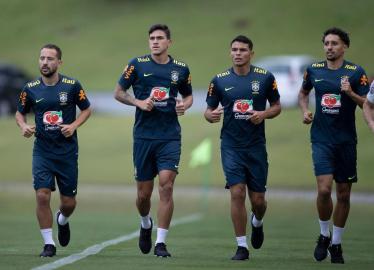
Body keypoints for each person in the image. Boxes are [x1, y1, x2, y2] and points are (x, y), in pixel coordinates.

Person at [114, 24, 193, 258]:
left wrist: (184, 104)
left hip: (169, 136)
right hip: (143, 137)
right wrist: (138, 103)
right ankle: (145, 223)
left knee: (167, 185)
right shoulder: (136, 64)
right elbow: (118, 92)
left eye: (160, 38)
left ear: (169, 42)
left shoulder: (180, 69)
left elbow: (188, 95)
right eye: (152, 38)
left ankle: (161, 242)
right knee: (143, 195)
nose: (155, 42)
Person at [204, 35, 281, 261]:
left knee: (258, 201)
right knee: (237, 193)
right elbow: (208, 111)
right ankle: (241, 246)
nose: (238, 53)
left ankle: (257, 221)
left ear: (251, 53)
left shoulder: (265, 78)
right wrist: (212, 115)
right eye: (234, 49)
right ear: (230, 52)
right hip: (231, 146)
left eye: (243, 50)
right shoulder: (219, 80)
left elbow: (277, 106)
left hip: (256, 147)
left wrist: (263, 114)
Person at [298, 27, 369, 264]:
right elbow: (303, 93)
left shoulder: (356, 72)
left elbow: (367, 105)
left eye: (334, 43)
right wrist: (306, 110)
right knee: (324, 190)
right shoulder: (314, 70)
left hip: (346, 141)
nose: (329, 47)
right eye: (326, 43)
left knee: (344, 194)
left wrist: (350, 93)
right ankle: (323, 234)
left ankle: (336, 244)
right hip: (321, 139)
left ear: (344, 46)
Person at [16, 44, 92, 257]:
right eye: (41, 58)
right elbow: (19, 113)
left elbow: (87, 109)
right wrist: (23, 126)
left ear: (59, 62)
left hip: (67, 152)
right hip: (42, 151)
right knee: (42, 195)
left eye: (50, 59)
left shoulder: (72, 86)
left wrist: (73, 126)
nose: (45, 62)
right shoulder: (30, 88)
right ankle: (49, 244)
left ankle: (63, 220)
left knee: (69, 202)